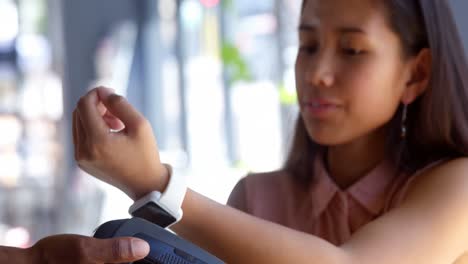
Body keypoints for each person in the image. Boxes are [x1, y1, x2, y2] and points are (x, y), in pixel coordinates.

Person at [72, 0, 468, 263]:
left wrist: (157, 184)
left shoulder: (456, 186)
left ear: (416, 74)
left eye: (352, 50)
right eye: (307, 45)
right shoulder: (257, 199)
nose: (316, 74)